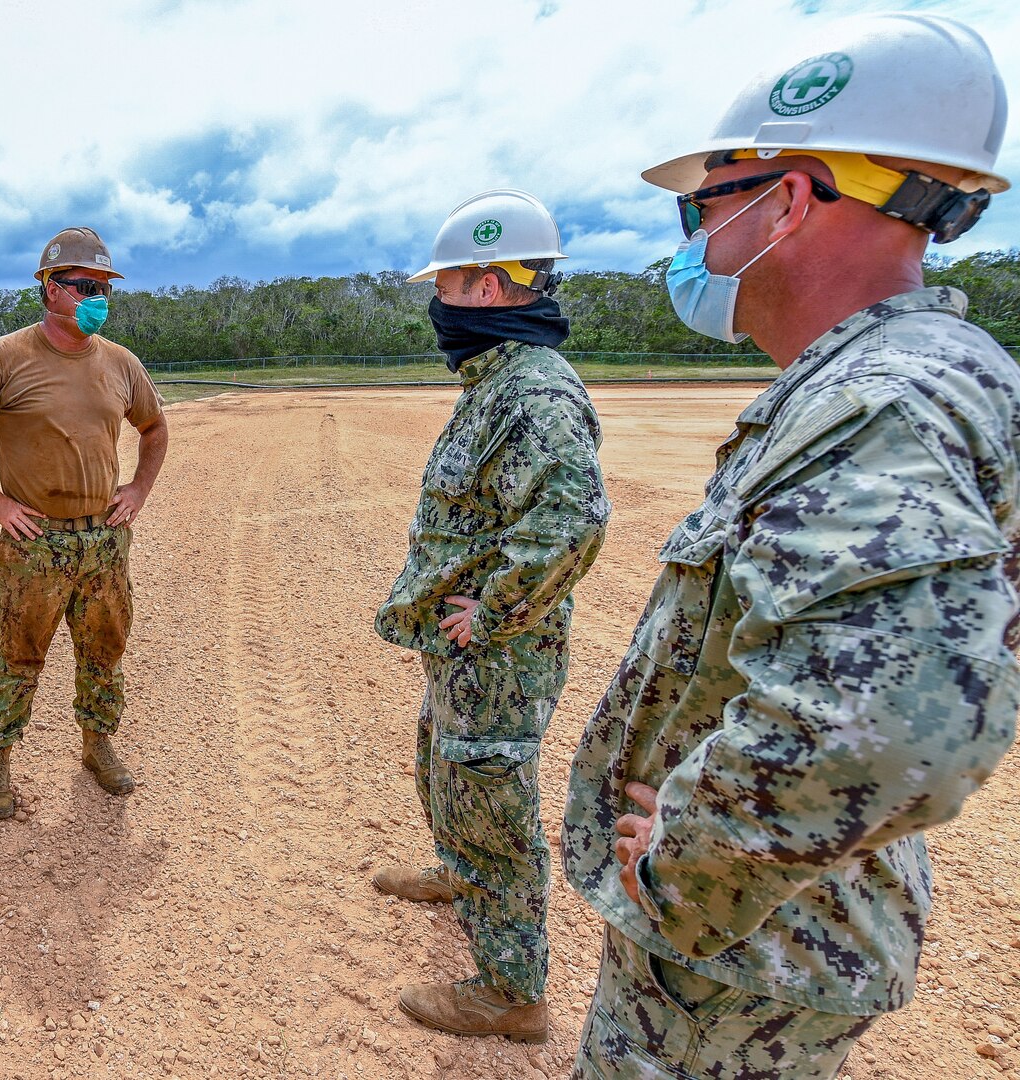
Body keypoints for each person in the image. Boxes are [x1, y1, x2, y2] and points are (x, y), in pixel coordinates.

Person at [563, 14, 1020, 1078]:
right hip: (778, 931)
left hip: (738, 961)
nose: (692, 241)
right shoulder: (936, 376)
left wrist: (688, 866)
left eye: (703, 205)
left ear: (788, 199)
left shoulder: (880, 405)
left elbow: (894, 726)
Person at [371, 189, 609, 1043]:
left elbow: (575, 518)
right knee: (444, 762)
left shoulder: (534, 391)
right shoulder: (497, 379)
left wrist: (496, 609)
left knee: (491, 802)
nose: (439, 301)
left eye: (449, 284)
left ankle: (512, 994)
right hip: (464, 653)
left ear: (491, 284)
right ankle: (455, 869)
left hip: (496, 656)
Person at [0, 227, 168, 821]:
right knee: (19, 654)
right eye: (87, 286)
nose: (99, 297)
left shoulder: (121, 364)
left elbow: (154, 429)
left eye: (106, 287)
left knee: (104, 651)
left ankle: (97, 745)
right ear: (51, 290)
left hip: (104, 541)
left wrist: (137, 488)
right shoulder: (4, 358)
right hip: (36, 544)